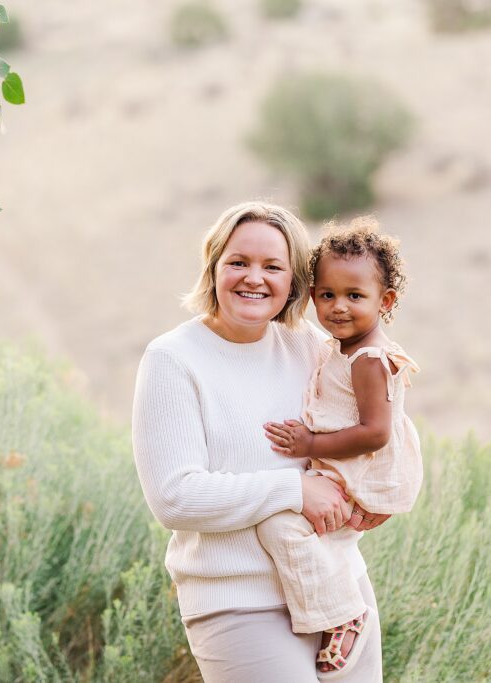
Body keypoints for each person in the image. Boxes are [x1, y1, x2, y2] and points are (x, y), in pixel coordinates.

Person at [132, 201, 386, 682]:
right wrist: (293, 490)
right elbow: (175, 497)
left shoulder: (309, 346)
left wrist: (376, 496)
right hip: (240, 604)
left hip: (340, 588)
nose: (255, 278)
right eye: (238, 262)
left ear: (296, 282)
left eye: (273, 266)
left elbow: (373, 425)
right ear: (213, 268)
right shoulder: (172, 360)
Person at [258, 217, 420, 678]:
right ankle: (330, 605)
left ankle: (341, 614)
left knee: (281, 527)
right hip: (342, 469)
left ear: (385, 301)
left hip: (356, 470)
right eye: (326, 294)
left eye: (355, 296)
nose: (338, 307)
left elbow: (376, 431)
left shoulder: (368, 360)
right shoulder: (340, 348)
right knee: (307, 531)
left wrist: (310, 443)